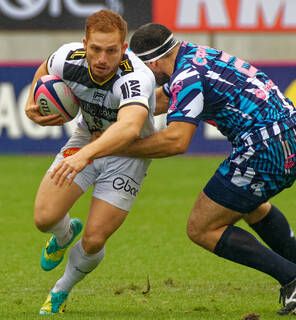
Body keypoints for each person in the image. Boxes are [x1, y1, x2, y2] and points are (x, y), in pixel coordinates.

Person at [113, 23, 296, 315]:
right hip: (288, 133)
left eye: (140, 69)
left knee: (202, 227)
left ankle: (291, 278)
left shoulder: (186, 76)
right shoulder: (194, 55)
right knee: (250, 206)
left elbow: (176, 141)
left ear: (153, 62)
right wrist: (115, 116)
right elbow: (160, 98)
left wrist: (115, 146)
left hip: (264, 147)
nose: (140, 77)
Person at [25, 10, 156, 314]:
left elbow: (129, 128)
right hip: (86, 137)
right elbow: (44, 71)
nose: (101, 58)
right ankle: (64, 234)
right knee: (44, 218)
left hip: (130, 153)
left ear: (124, 48)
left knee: (95, 238)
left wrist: (86, 155)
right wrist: (33, 105)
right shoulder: (66, 57)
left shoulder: (135, 76)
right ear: (85, 43)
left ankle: (62, 288)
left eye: (111, 50)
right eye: (95, 49)